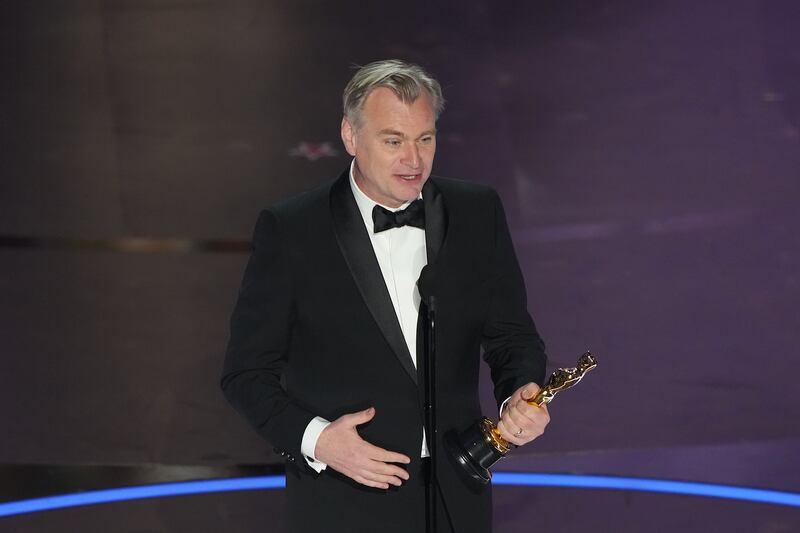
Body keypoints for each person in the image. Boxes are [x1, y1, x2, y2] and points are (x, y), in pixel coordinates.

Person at [221, 59, 550, 533]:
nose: (413, 161)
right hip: (343, 496)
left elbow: (512, 335)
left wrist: (519, 395)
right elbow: (245, 373)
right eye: (393, 141)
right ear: (351, 137)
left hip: (458, 490)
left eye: (425, 139)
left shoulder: (476, 212)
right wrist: (319, 441)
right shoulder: (293, 230)